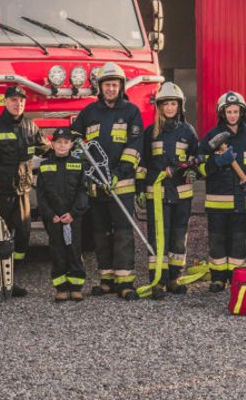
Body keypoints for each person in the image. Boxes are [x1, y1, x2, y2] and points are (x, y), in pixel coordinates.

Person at [70, 62, 145, 299]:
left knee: (123, 231)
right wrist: (80, 157)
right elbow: (74, 138)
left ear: (121, 87)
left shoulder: (131, 112)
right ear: (100, 88)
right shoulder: (89, 113)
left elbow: (134, 146)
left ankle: (125, 282)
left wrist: (119, 173)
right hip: (96, 185)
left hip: (120, 184)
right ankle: (107, 278)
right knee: (100, 232)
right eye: (107, 85)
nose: (111, 89)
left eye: (115, 85)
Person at [0, 85, 48, 300]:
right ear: (5, 102)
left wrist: (69, 147)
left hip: (21, 192)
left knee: (23, 236)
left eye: (21, 101)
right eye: (14, 100)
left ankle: (10, 280)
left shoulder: (30, 126)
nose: (18, 104)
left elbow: (46, 147)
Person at [139, 82, 201, 298]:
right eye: (165, 104)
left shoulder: (188, 131)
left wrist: (194, 171)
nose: (169, 108)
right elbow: (142, 163)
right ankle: (158, 281)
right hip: (157, 195)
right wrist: (140, 188)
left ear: (180, 105)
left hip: (182, 195)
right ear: (159, 106)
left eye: (173, 103)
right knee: (158, 238)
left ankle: (175, 277)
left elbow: (197, 159)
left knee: (178, 237)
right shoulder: (150, 133)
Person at [199, 91, 246, 292]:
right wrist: (216, 162)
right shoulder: (211, 136)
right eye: (229, 111)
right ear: (222, 113)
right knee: (217, 239)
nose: (233, 115)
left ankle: (236, 277)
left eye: (236, 111)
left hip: (240, 200)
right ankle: (218, 278)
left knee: (238, 240)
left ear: (242, 113)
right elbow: (199, 167)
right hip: (217, 201)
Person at [37, 129, 89, 302]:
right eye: (58, 142)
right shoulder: (44, 166)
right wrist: (50, 214)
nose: (62, 145)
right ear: (52, 144)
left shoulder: (79, 163)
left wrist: (73, 213)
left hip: (73, 217)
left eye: (66, 142)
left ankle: (75, 286)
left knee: (74, 250)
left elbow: (83, 191)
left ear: (71, 145)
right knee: (57, 251)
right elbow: (41, 195)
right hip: (54, 219)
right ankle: (61, 287)